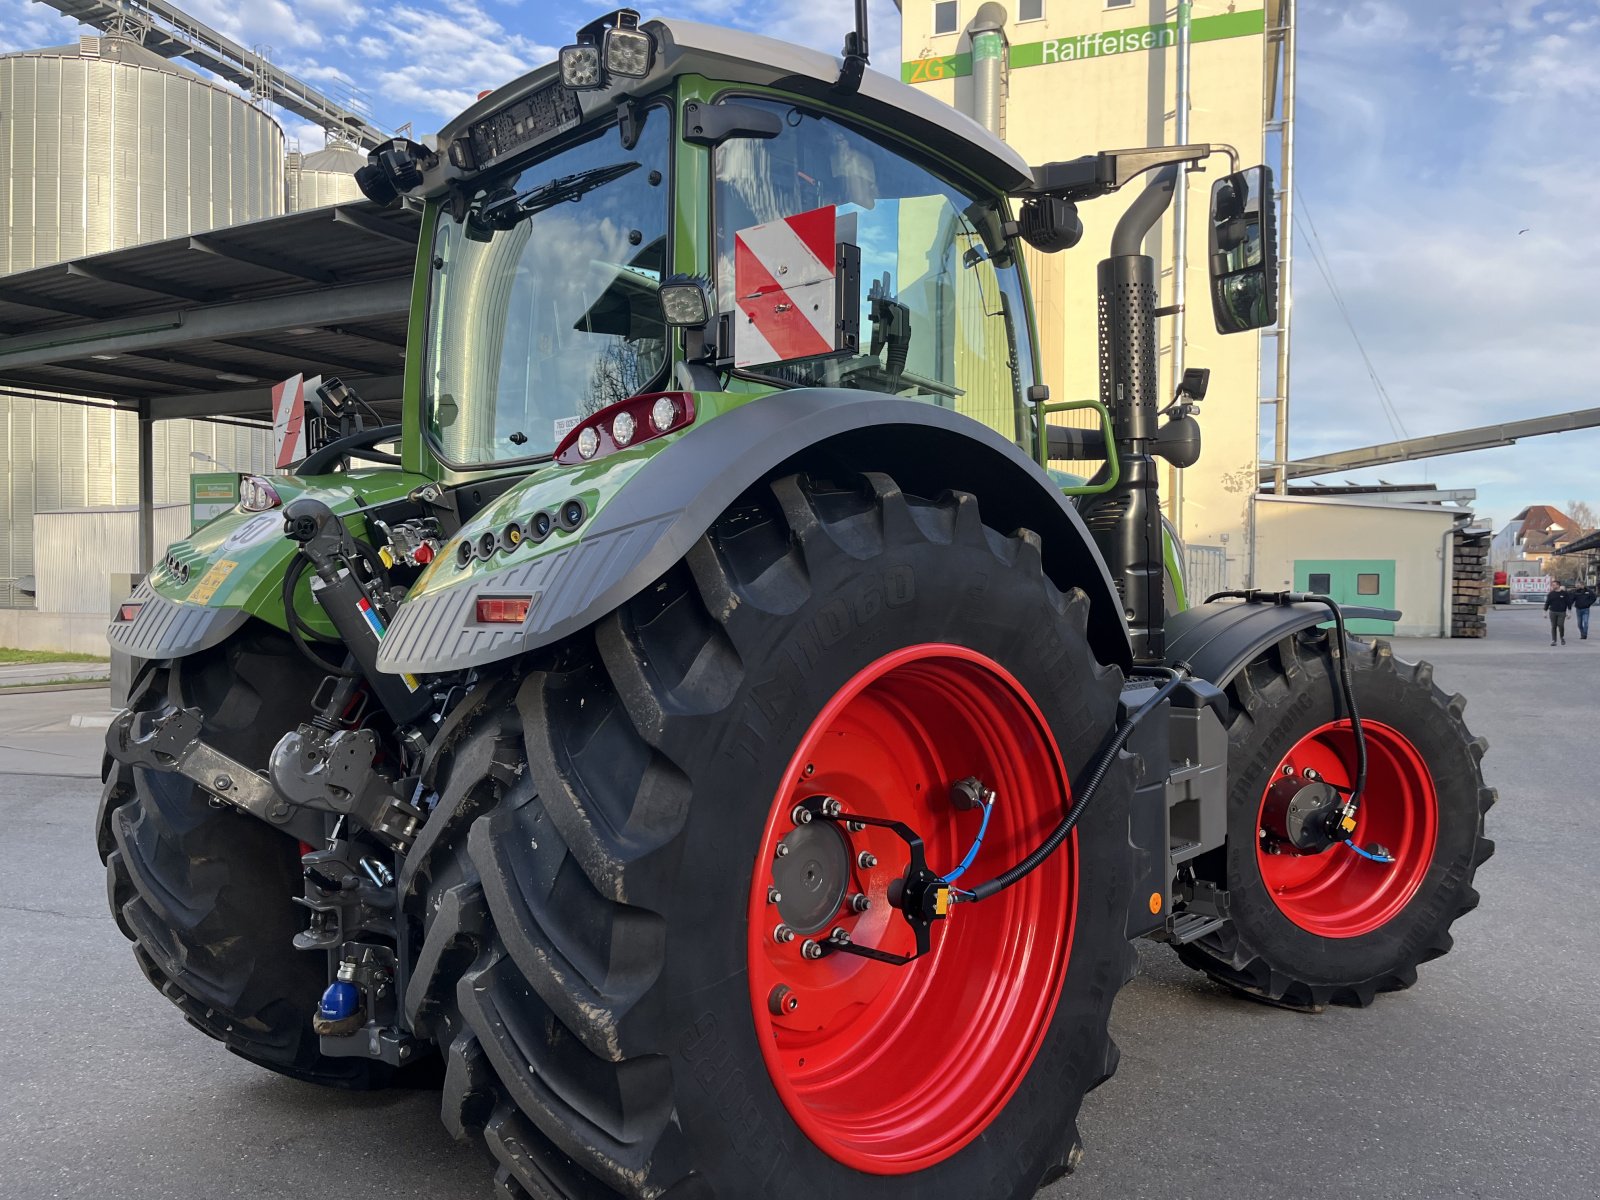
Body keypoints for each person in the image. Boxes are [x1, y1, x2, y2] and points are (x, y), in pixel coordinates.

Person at [1544, 581, 1571, 645]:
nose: (1553, 586)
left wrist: (1569, 612)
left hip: (1562, 612)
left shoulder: (1564, 593)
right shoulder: (1551, 594)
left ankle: (1562, 637)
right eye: (1552, 585)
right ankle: (1554, 640)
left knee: (1560, 625)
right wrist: (1544, 612)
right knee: (1553, 626)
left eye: (1554, 585)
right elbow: (1547, 603)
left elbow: (1568, 603)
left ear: (1558, 585)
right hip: (1553, 611)